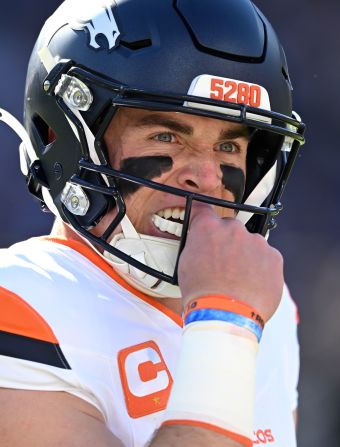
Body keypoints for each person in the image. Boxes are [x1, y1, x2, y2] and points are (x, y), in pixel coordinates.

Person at [0, 0, 305, 446]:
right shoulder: (21, 302)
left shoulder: (269, 308)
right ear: (66, 140)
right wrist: (225, 323)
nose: (205, 179)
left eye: (228, 146)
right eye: (167, 136)